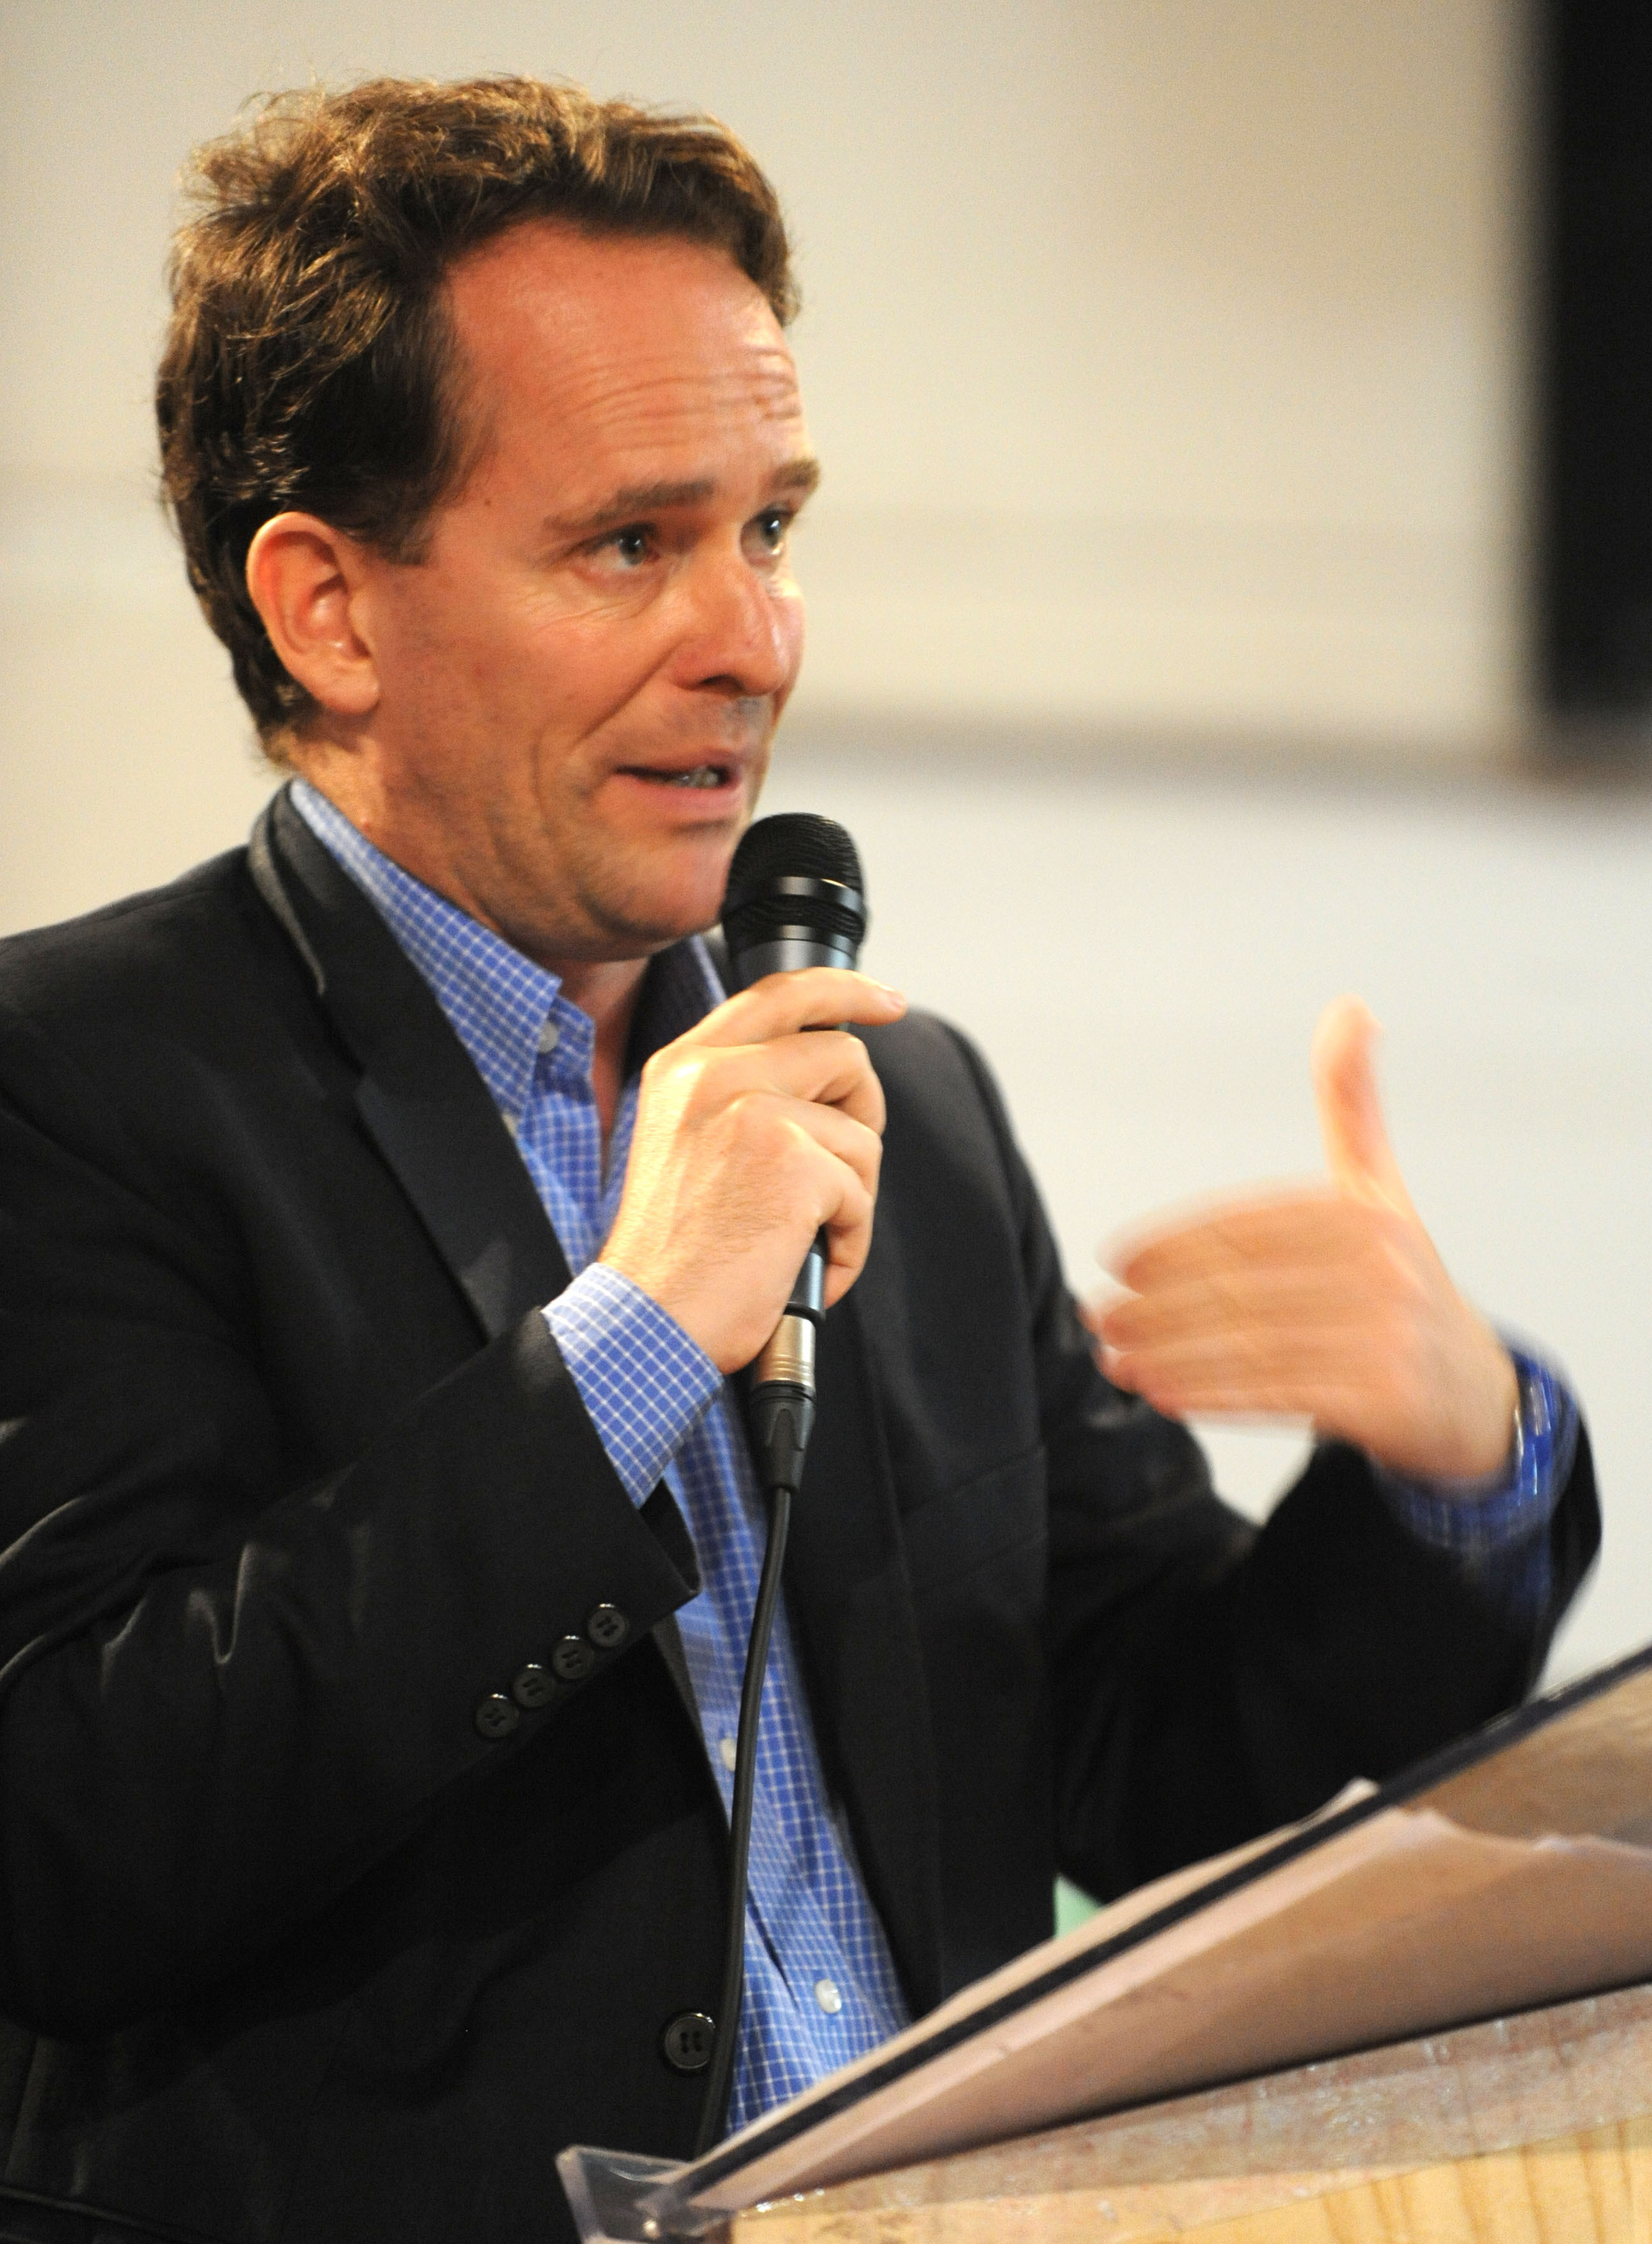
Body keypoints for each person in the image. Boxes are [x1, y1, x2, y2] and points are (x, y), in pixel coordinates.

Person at [0, 76, 1596, 2244]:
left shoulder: (892, 1112)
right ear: (330, 611)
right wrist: (635, 1341)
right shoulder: (73, 1083)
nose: (750, 638)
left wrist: (1452, 1468)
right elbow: (74, 1838)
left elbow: (1151, 1758)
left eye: (769, 531)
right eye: (632, 544)